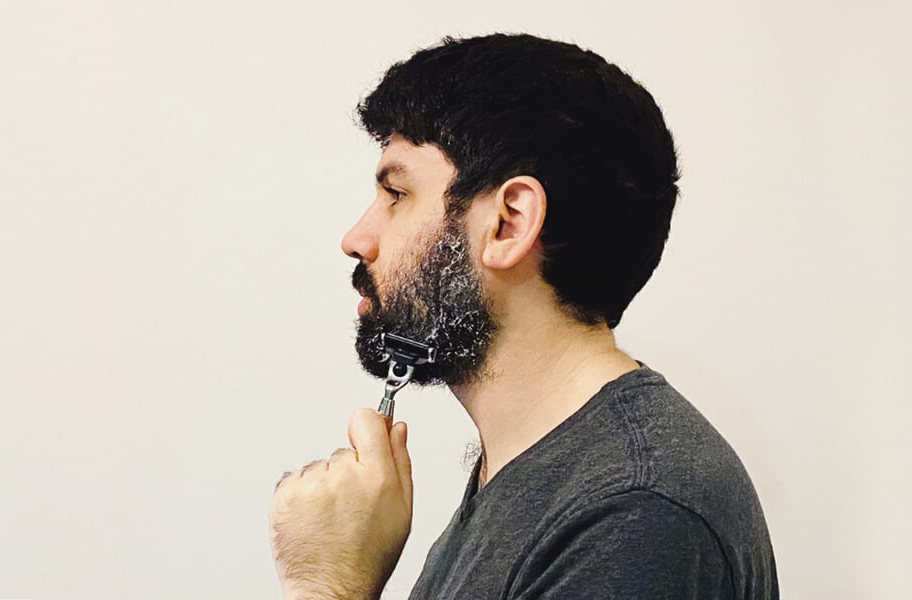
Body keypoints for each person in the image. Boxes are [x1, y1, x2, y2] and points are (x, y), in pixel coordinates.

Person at [268, 33, 778, 599]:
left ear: (510, 223)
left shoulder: (632, 513)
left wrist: (328, 584)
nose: (357, 239)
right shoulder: (540, 475)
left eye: (396, 193)